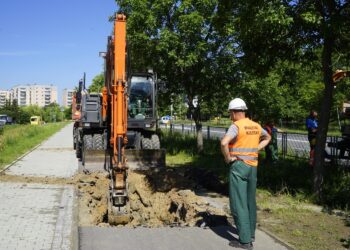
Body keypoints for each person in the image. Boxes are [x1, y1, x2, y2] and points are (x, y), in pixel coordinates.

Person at [221, 98, 271, 249]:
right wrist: (257, 148)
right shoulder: (255, 126)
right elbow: (268, 137)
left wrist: (228, 158)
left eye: (230, 113)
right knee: (250, 201)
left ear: (235, 112)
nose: (230, 116)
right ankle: (251, 234)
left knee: (238, 203)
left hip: (239, 167)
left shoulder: (236, 126)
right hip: (253, 167)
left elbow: (224, 143)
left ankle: (244, 241)